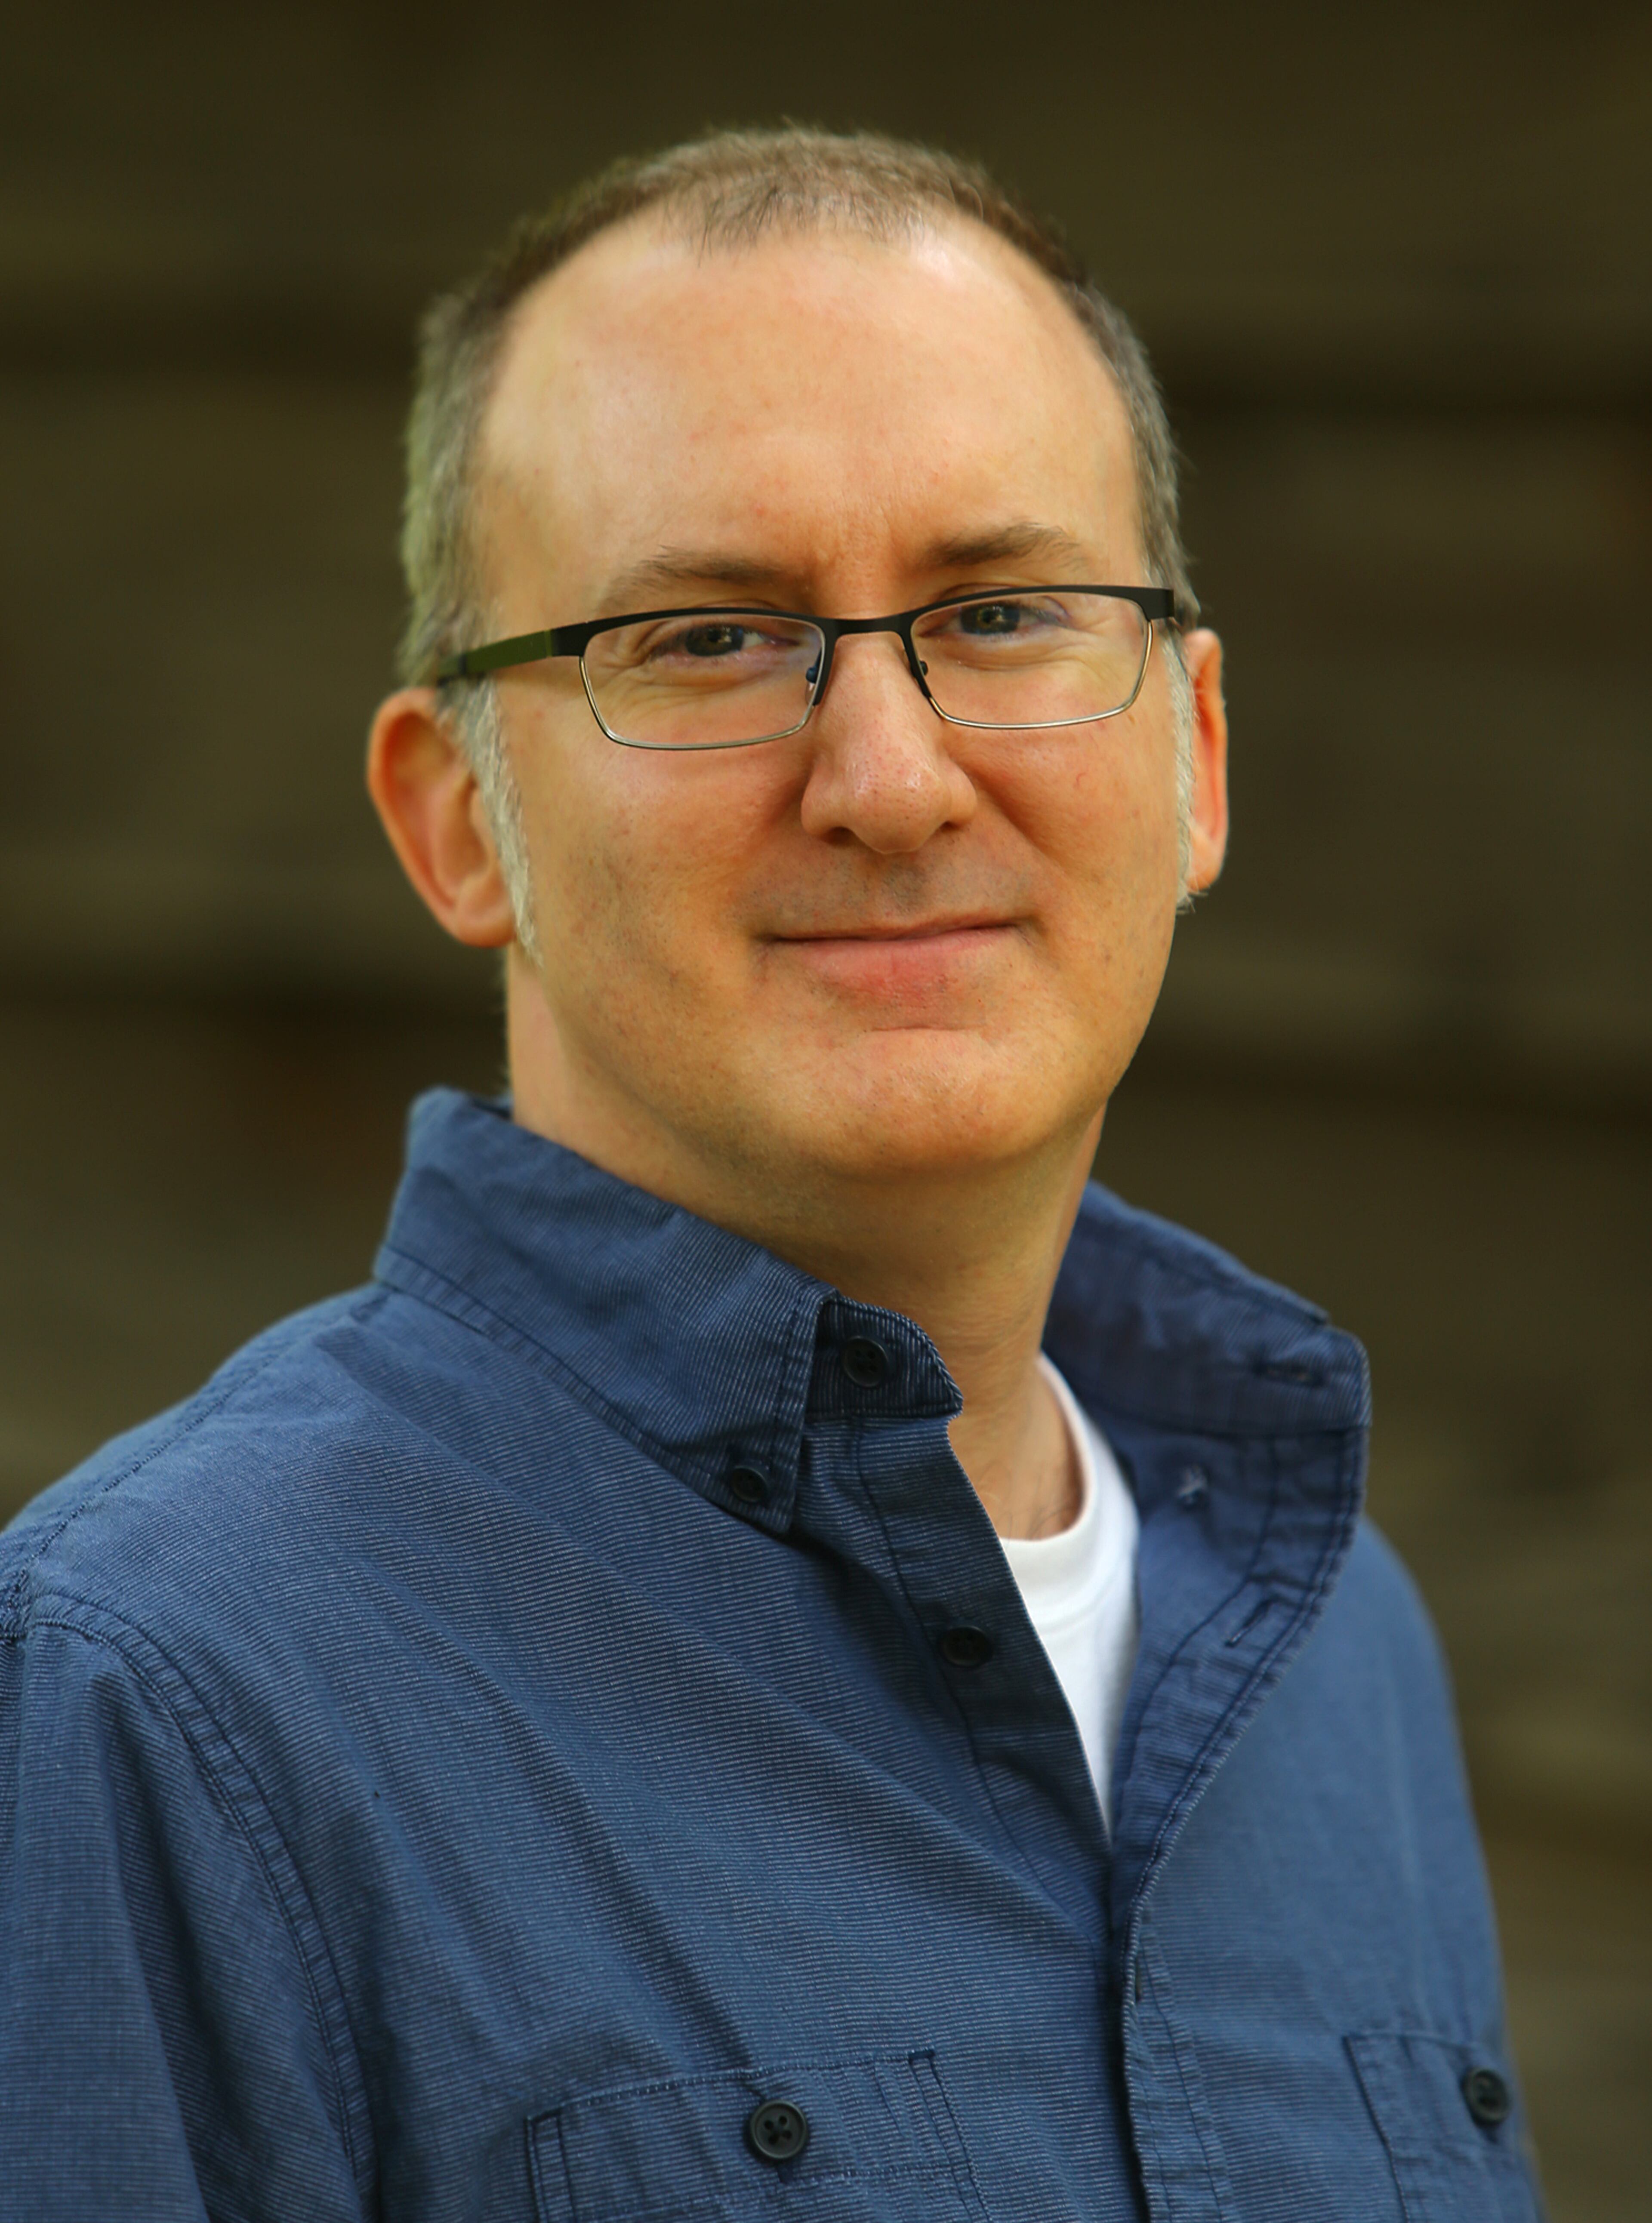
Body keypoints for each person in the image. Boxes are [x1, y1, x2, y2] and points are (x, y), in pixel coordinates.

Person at [0, 129, 1541, 2222]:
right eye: (711, 640)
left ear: (1197, 756)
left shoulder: (1336, 1644)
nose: (892, 780)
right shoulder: (158, 1687)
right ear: (455, 820)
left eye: (1002, 611)